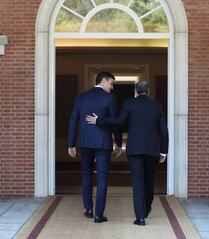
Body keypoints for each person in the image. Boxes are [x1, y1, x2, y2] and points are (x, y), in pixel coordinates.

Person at [85, 81, 168, 226]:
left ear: (136, 92)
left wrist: (99, 120)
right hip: (152, 150)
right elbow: (164, 131)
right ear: (148, 92)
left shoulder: (129, 104)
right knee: (149, 180)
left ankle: (140, 217)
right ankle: (147, 207)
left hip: (134, 149)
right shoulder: (157, 107)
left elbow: (117, 121)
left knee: (137, 182)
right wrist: (164, 151)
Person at [68, 71, 122, 223]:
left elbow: (73, 120)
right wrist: (118, 143)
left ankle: (88, 209)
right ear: (104, 81)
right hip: (103, 143)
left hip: (85, 142)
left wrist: (71, 143)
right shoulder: (109, 98)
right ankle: (99, 215)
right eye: (111, 83)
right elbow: (115, 122)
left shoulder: (81, 97)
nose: (112, 87)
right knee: (102, 177)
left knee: (86, 174)